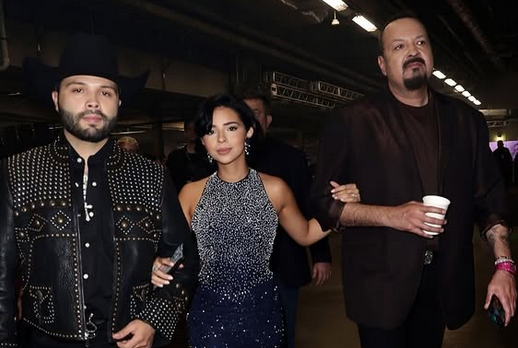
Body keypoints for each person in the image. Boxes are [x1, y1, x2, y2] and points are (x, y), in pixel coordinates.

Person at [309, 15, 516, 348]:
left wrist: (504, 266)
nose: (413, 51)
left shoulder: (466, 121)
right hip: (379, 285)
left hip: (442, 283)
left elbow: (490, 202)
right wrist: (392, 215)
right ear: (382, 64)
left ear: (431, 55)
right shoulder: (352, 121)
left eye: (421, 43)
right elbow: (321, 203)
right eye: (399, 46)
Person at [0, 33, 198, 348]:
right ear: (56, 97)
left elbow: (184, 258)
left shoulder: (151, 176)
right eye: (78, 89)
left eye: (105, 92)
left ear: (118, 102)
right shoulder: (18, 171)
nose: (93, 101)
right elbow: (1, 278)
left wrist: (154, 319)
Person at [152, 94, 359, 347]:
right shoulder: (190, 193)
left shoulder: (275, 189)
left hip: (262, 315)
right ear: (203, 140)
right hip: (208, 316)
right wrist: (158, 265)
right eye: (211, 131)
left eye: (231, 128)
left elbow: (305, 233)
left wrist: (339, 207)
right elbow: (176, 252)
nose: (221, 139)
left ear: (249, 131)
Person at [243, 91, 332, 348]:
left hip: (283, 262)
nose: (248, 119)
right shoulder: (218, 165)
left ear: (268, 120)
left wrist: (321, 255)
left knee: (282, 334)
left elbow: (308, 206)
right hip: (235, 272)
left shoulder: (290, 158)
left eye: (255, 113)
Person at [166, 120, 215, 191]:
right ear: (185, 132)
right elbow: (170, 180)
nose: (192, 132)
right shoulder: (175, 156)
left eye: (195, 129)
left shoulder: (208, 155)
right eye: (189, 129)